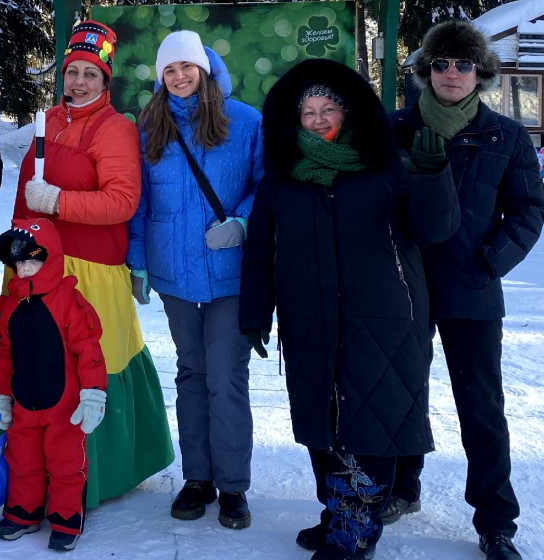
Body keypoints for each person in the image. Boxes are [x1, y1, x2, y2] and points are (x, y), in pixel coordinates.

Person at [239, 58, 460, 560]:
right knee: (323, 420)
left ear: (349, 111)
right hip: (309, 317)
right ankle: (338, 511)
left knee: (370, 424)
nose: (316, 119)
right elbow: (260, 251)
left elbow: (434, 230)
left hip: (382, 317)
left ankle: (355, 528)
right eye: (307, 111)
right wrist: (255, 314)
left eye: (327, 108)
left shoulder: (388, 167)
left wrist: (432, 177)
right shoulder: (283, 180)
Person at [389, 20, 544, 560]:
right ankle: (401, 487)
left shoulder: (506, 135)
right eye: (441, 63)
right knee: (403, 394)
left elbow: (529, 210)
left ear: (479, 72)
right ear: (425, 69)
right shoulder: (396, 129)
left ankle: (496, 519)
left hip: (472, 289)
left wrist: (490, 259)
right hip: (405, 286)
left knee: (481, 407)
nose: (451, 73)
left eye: (462, 64)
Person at [11, 19, 174, 509]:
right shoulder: (48, 121)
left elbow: (122, 201)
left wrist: (58, 201)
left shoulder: (116, 128)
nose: (78, 82)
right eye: (72, 72)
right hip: (35, 269)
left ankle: (97, 473)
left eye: (90, 74)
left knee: (88, 368)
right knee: (39, 369)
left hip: (90, 273)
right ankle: (31, 472)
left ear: (106, 81)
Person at [126, 30, 262, 528]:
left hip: (230, 276)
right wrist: (137, 262)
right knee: (191, 375)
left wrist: (243, 221)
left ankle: (232, 486)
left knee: (226, 377)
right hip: (174, 276)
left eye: (187, 67)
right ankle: (197, 478)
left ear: (203, 69)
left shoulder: (245, 122)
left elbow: (265, 187)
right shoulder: (148, 129)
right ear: (161, 78)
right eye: (169, 70)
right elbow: (138, 204)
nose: (179, 76)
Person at [0, 218, 107, 552]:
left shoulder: (68, 300)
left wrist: (93, 394)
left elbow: (89, 351)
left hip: (64, 406)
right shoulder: (10, 305)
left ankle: (66, 520)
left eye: (32, 260)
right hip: (24, 403)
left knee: (66, 464)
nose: (25, 269)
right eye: (19, 263)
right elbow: (5, 354)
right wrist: (2, 397)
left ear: (49, 257)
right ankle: (23, 514)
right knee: (23, 459)